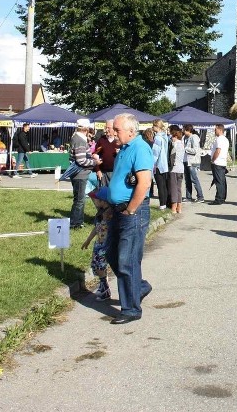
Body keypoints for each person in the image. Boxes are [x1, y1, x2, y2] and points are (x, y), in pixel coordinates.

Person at [106, 113, 153, 325]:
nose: (113, 133)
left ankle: (131, 309)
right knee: (112, 254)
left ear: (131, 131)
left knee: (127, 259)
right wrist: (110, 206)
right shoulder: (124, 148)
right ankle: (139, 287)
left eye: (117, 130)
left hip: (132, 212)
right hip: (117, 210)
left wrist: (131, 209)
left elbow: (144, 183)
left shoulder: (140, 148)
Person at [69, 118, 101, 229]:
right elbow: (81, 160)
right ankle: (76, 223)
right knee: (80, 200)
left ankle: (77, 221)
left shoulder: (77, 138)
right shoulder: (79, 140)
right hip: (80, 173)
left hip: (79, 173)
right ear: (85, 128)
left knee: (78, 199)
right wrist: (94, 162)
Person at [82, 186, 113, 300]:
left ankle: (104, 289)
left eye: (96, 199)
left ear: (103, 201)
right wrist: (88, 240)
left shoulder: (110, 214)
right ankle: (102, 285)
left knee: (100, 265)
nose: (94, 201)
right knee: (96, 265)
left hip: (106, 245)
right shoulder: (100, 214)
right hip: (98, 244)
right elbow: (96, 228)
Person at [182, 124, 205, 203]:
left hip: (192, 161)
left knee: (194, 179)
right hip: (186, 161)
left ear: (188, 130)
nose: (183, 131)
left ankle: (200, 196)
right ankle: (188, 197)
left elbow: (195, 150)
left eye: (184, 130)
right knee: (187, 180)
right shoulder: (185, 138)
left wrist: (185, 148)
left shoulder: (194, 137)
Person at [152, 120, 170, 210]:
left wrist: (152, 164)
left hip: (158, 164)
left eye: (153, 126)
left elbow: (155, 153)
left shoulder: (157, 138)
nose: (152, 128)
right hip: (164, 164)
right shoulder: (165, 136)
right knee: (163, 185)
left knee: (160, 185)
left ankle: (162, 204)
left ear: (157, 127)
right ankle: (165, 203)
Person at [209, 124, 229, 205]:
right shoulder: (225, 139)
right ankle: (222, 197)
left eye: (215, 129)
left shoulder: (219, 139)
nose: (214, 131)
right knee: (222, 181)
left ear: (220, 130)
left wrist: (213, 160)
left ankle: (219, 199)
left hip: (218, 162)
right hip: (222, 162)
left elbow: (218, 151)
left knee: (219, 181)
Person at [94, 120, 117, 186]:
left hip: (116, 173)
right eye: (106, 127)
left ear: (114, 128)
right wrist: (97, 170)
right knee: (103, 194)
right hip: (103, 173)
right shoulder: (101, 140)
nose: (106, 130)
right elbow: (95, 156)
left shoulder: (119, 140)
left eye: (108, 128)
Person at [168, 125, 185, 214]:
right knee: (179, 188)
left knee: (173, 188)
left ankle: (174, 207)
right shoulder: (182, 143)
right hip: (181, 168)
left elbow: (172, 157)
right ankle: (179, 207)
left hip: (174, 168)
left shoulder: (174, 144)